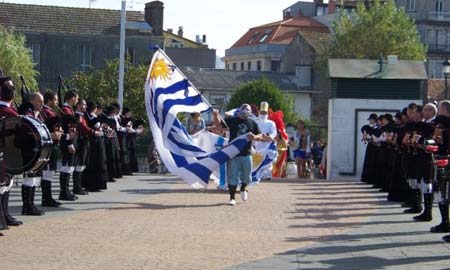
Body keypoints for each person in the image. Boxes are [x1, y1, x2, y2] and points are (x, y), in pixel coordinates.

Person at [212, 103, 272, 206]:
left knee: (247, 177)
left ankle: (243, 188)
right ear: (239, 111)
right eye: (243, 110)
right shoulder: (232, 120)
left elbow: (260, 135)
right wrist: (215, 115)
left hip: (247, 153)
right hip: (234, 153)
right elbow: (219, 127)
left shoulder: (252, 123)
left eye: (247, 110)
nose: (245, 112)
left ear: (249, 112)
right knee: (233, 177)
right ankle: (232, 198)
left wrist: (255, 137)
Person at [0, 76, 22, 228]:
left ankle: (5, 216)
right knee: (4, 185)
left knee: (5, 186)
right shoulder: (10, 112)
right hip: (6, 152)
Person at [40, 91, 63, 207]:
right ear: (49, 101)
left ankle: (48, 197)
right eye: (55, 100)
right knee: (47, 172)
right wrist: (51, 134)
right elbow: (41, 129)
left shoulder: (52, 112)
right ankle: (46, 198)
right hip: (47, 145)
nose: (57, 102)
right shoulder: (44, 112)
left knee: (50, 171)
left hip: (54, 144)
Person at [59, 90, 79, 201]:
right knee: (66, 167)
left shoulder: (70, 109)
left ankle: (66, 191)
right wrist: (70, 143)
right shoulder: (66, 110)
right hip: (67, 142)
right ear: (72, 98)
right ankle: (64, 191)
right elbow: (68, 128)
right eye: (76, 98)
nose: (77, 101)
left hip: (70, 140)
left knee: (69, 167)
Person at [254, 102, 277, 180]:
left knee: (267, 159)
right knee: (258, 158)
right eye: (262, 112)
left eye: (265, 112)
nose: (263, 114)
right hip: (258, 143)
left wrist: (268, 137)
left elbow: (274, 132)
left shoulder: (271, 123)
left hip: (267, 143)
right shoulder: (255, 121)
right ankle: (257, 174)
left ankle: (267, 174)